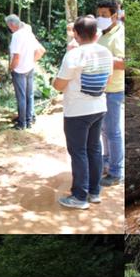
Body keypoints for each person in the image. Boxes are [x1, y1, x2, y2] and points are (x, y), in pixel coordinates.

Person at [54, 16, 112, 209]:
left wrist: (55, 81)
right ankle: (94, 192)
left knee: (78, 152)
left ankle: (79, 196)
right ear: (96, 34)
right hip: (99, 107)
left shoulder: (74, 55)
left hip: (77, 111)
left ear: (76, 34)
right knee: (94, 149)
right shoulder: (106, 52)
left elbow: (59, 85)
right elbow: (108, 80)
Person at [96, 1, 125, 188]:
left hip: (114, 89)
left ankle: (116, 172)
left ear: (114, 16)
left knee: (113, 132)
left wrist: (102, 57)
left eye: (104, 15)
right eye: (99, 14)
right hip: (103, 89)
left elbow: (123, 63)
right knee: (104, 130)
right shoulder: (103, 34)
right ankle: (106, 163)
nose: (101, 18)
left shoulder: (119, 35)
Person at [7, 13, 45, 130]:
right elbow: (40, 50)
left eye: (9, 26)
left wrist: (11, 68)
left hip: (19, 70)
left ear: (12, 25)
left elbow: (16, 56)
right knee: (29, 95)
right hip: (30, 67)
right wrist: (32, 61)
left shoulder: (16, 36)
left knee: (21, 97)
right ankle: (29, 120)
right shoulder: (28, 32)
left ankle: (22, 123)